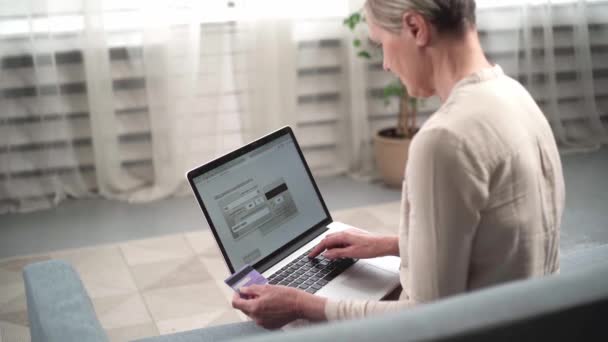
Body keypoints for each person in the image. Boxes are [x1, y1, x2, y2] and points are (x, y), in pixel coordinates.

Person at [230, 0, 565, 330]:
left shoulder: (445, 139)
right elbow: (499, 240)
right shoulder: (512, 94)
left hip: (483, 330)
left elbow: (428, 318)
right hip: (533, 323)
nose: (386, 64)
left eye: (382, 44)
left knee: (282, 322)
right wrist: (391, 244)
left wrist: (304, 304)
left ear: (415, 28)